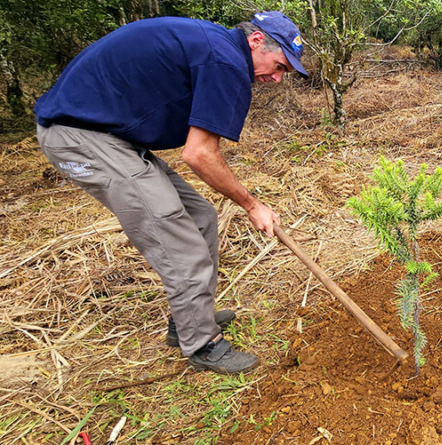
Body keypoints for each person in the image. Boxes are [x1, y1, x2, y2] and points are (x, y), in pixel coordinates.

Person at [34, 11, 308, 373]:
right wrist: (252, 205)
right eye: (279, 66)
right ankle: (202, 344)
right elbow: (198, 154)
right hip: (82, 137)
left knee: (200, 217)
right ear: (256, 41)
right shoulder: (224, 60)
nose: (275, 78)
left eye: (284, 72)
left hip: (112, 136)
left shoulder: (216, 47)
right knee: (177, 237)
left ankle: (190, 319)